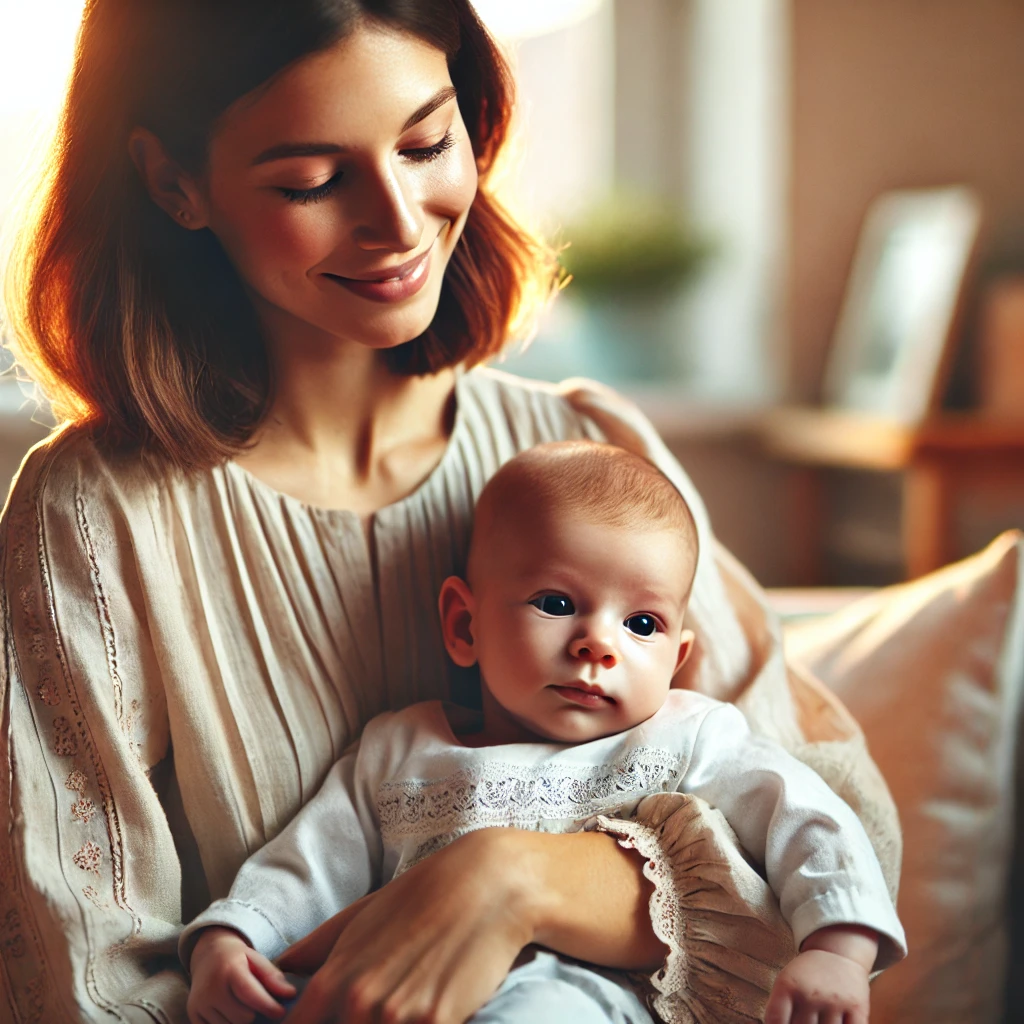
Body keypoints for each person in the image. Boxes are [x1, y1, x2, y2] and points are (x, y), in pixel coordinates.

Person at [0, 2, 902, 1023]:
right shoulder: (94, 521)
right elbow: (81, 981)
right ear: (174, 183)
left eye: (427, 143)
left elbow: (840, 843)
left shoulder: (590, 450)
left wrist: (513, 880)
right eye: (312, 181)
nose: (398, 222)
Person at [180, 441, 906, 1024]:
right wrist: (231, 940)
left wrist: (838, 949)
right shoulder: (399, 749)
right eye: (557, 603)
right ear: (464, 625)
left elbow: (807, 820)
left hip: (589, 996)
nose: (599, 644)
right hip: (404, 991)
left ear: (678, 657)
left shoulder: (690, 735)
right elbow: (306, 865)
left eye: (642, 623)